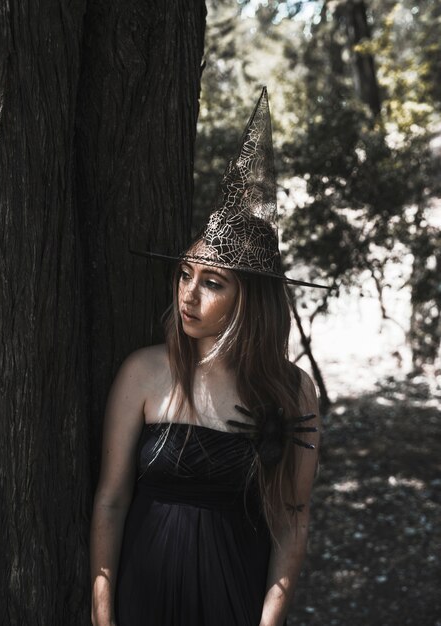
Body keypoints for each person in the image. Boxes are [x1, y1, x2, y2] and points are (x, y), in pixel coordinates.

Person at [90, 88, 326, 626]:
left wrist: (269, 622)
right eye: (184, 274)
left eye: (212, 282)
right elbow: (110, 501)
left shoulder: (290, 392)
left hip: (232, 597)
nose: (188, 295)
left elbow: (292, 521)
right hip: (143, 598)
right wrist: (102, 618)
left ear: (250, 298)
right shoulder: (144, 373)